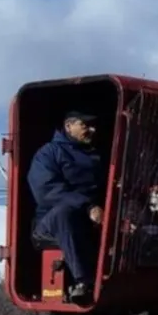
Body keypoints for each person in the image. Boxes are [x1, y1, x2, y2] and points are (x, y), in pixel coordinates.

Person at [27, 110, 106, 303]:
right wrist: (88, 207)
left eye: (94, 126)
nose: (92, 130)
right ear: (69, 126)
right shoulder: (48, 153)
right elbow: (47, 191)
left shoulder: (97, 156)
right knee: (64, 213)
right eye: (85, 125)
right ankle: (83, 282)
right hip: (49, 225)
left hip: (89, 219)